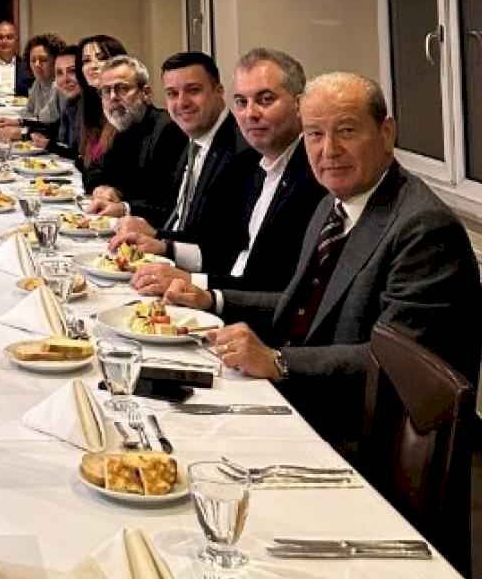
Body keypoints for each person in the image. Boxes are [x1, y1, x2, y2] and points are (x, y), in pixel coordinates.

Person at [164, 72, 482, 452]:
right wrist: (212, 299)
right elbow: (300, 306)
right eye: (315, 134)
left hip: (360, 439)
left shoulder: (423, 228)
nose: (329, 150)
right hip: (302, 402)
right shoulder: (331, 204)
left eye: (346, 131)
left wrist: (278, 361)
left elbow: (397, 363)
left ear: (386, 133)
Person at [130, 48, 327, 295]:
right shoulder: (255, 166)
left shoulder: (315, 176)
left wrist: (197, 286)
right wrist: (167, 249)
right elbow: (227, 250)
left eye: (265, 99)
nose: (250, 113)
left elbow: (274, 286)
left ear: (299, 105)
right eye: (242, 102)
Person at [107, 52, 257, 277]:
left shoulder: (241, 152)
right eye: (172, 93)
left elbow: (225, 249)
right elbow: (180, 220)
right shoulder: (193, 139)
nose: (182, 103)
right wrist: (156, 235)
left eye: (193, 90)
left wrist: (165, 246)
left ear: (219, 92)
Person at [82, 55, 188, 229]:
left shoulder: (168, 129)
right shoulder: (119, 125)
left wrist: (124, 207)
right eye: (106, 91)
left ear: (146, 93)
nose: (113, 97)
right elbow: (93, 169)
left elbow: (166, 201)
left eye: (122, 88)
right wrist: (101, 187)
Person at [67, 35, 128, 178]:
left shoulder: (128, 110)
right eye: (86, 61)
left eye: (101, 58)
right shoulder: (89, 104)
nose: (93, 66)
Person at [0, 33, 65, 142]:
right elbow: (29, 111)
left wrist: (23, 134)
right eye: (33, 60)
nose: (37, 64)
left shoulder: (60, 87)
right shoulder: (38, 83)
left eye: (43, 60)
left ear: (56, 62)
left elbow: (53, 127)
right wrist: (16, 122)